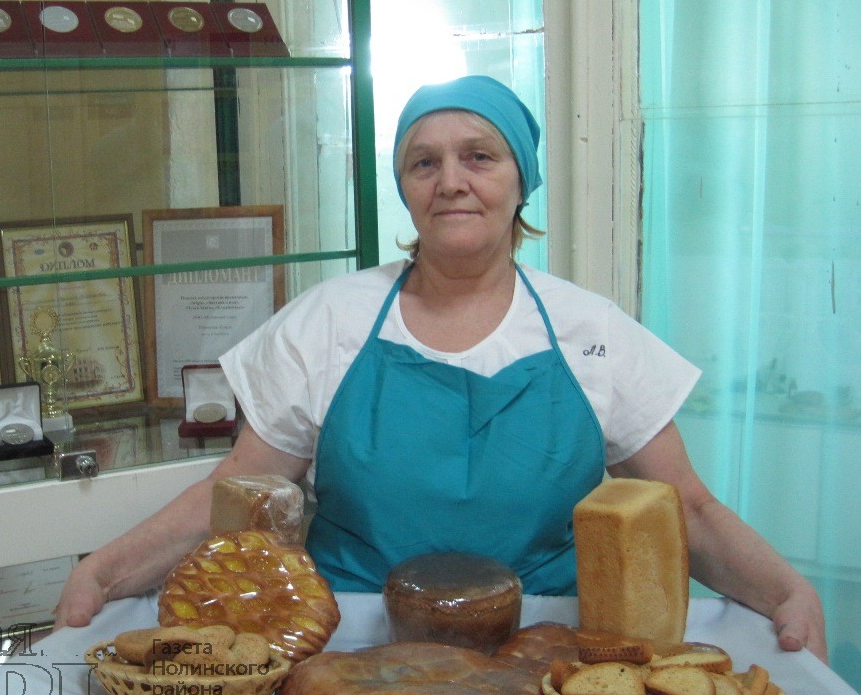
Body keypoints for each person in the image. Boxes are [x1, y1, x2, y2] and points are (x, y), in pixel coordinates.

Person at [56, 75, 827, 661]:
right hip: (356, 647)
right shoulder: (332, 322)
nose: (451, 180)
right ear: (405, 189)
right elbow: (241, 493)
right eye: (424, 162)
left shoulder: (591, 332)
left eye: (479, 157)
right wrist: (107, 570)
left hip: (549, 650)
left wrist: (789, 591)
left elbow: (684, 507)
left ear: (520, 180)